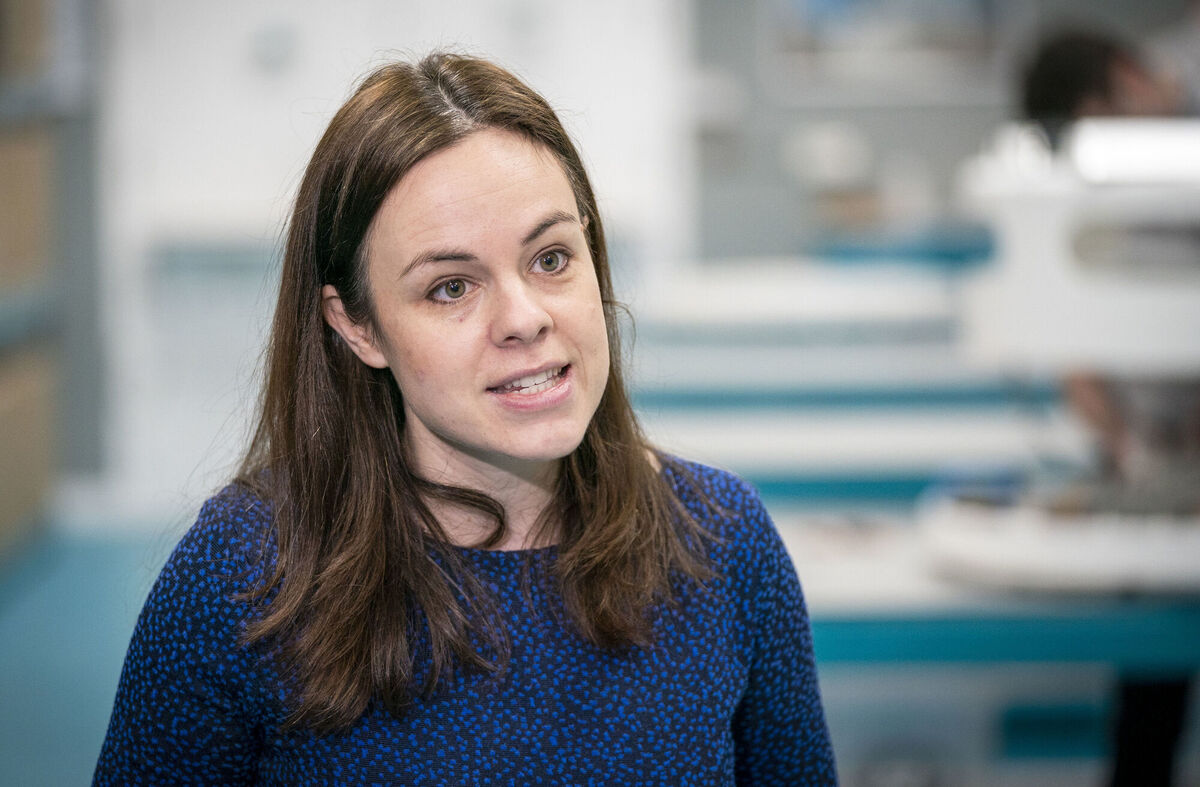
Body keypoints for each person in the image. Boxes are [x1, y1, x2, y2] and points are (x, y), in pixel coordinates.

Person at [92, 53, 838, 785]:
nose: (524, 318)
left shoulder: (722, 541)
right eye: (450, 287)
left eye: (550, 258)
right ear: (357, 326)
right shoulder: (245, 575)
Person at [1020, 30, 1198, 787]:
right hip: (1158, 439)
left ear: (1128, 80)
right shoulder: (1121, 174)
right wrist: (1127, 436)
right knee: (1153, 680)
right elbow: (1081, 333)